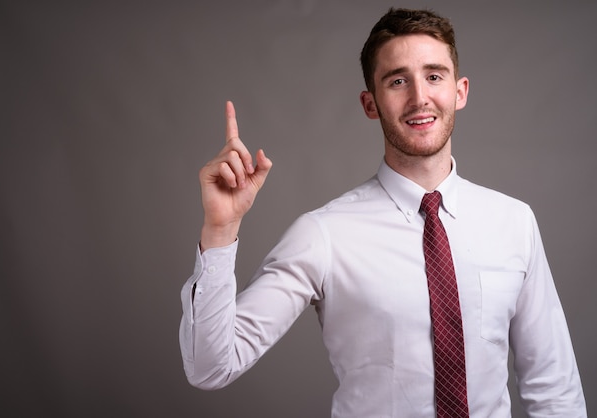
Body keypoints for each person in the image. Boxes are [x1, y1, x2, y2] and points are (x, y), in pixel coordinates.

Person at [179, 7, 586, 417]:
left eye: (434, 76)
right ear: (370, 103)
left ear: (459, 91)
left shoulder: (515, 222)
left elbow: (554, 387)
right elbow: (211, 368)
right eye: (397, 81)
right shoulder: (324, 234)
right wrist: (221, 228)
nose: (419, 97)